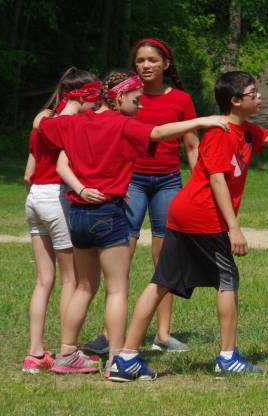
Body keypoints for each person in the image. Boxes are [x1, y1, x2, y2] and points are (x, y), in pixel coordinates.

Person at [107, 71, 268, 382]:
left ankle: (126, 358)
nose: (260, 97)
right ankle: (227, 357)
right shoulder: (222, 133)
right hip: (202, 215)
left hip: (184, 213)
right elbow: (217, 180)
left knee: (162, 282)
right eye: (254, 94)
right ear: (236, 101)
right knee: (227, 279)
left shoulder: (246, 131)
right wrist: (233, 228)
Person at [38, 69, 229, 374]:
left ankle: (67, 354)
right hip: (109, 212)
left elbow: (42, 125)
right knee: (117, 289)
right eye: (137, 100)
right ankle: (118, 358)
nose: (141, 106)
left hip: (77, 214)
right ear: (120, 96)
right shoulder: (123, 124)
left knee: (85, 286)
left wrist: (73, 103)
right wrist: (200, 121)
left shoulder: (72, 122)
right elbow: (157, 133)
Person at [83, 38, 196, 355]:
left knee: (165, 256)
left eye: (152, 60)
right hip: (130, 180)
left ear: (166, 64)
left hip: (168, 182)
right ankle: (109, 334)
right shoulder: (125, 96)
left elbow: (191, 145)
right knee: (121, 256)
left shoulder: (182, 100)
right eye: (140, 61)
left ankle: (162, 334)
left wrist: (199, 185)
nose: (146, 65)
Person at [21, 68, 102, 373]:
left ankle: (35, 353)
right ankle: (71, 352)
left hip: (35, 198)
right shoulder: (73, 125)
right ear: (83, 96)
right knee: (72, 279)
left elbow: (28, 174)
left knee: (44, 280)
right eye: (94, 99)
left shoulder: (42, 122)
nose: (96, 106)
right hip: (58, 196)